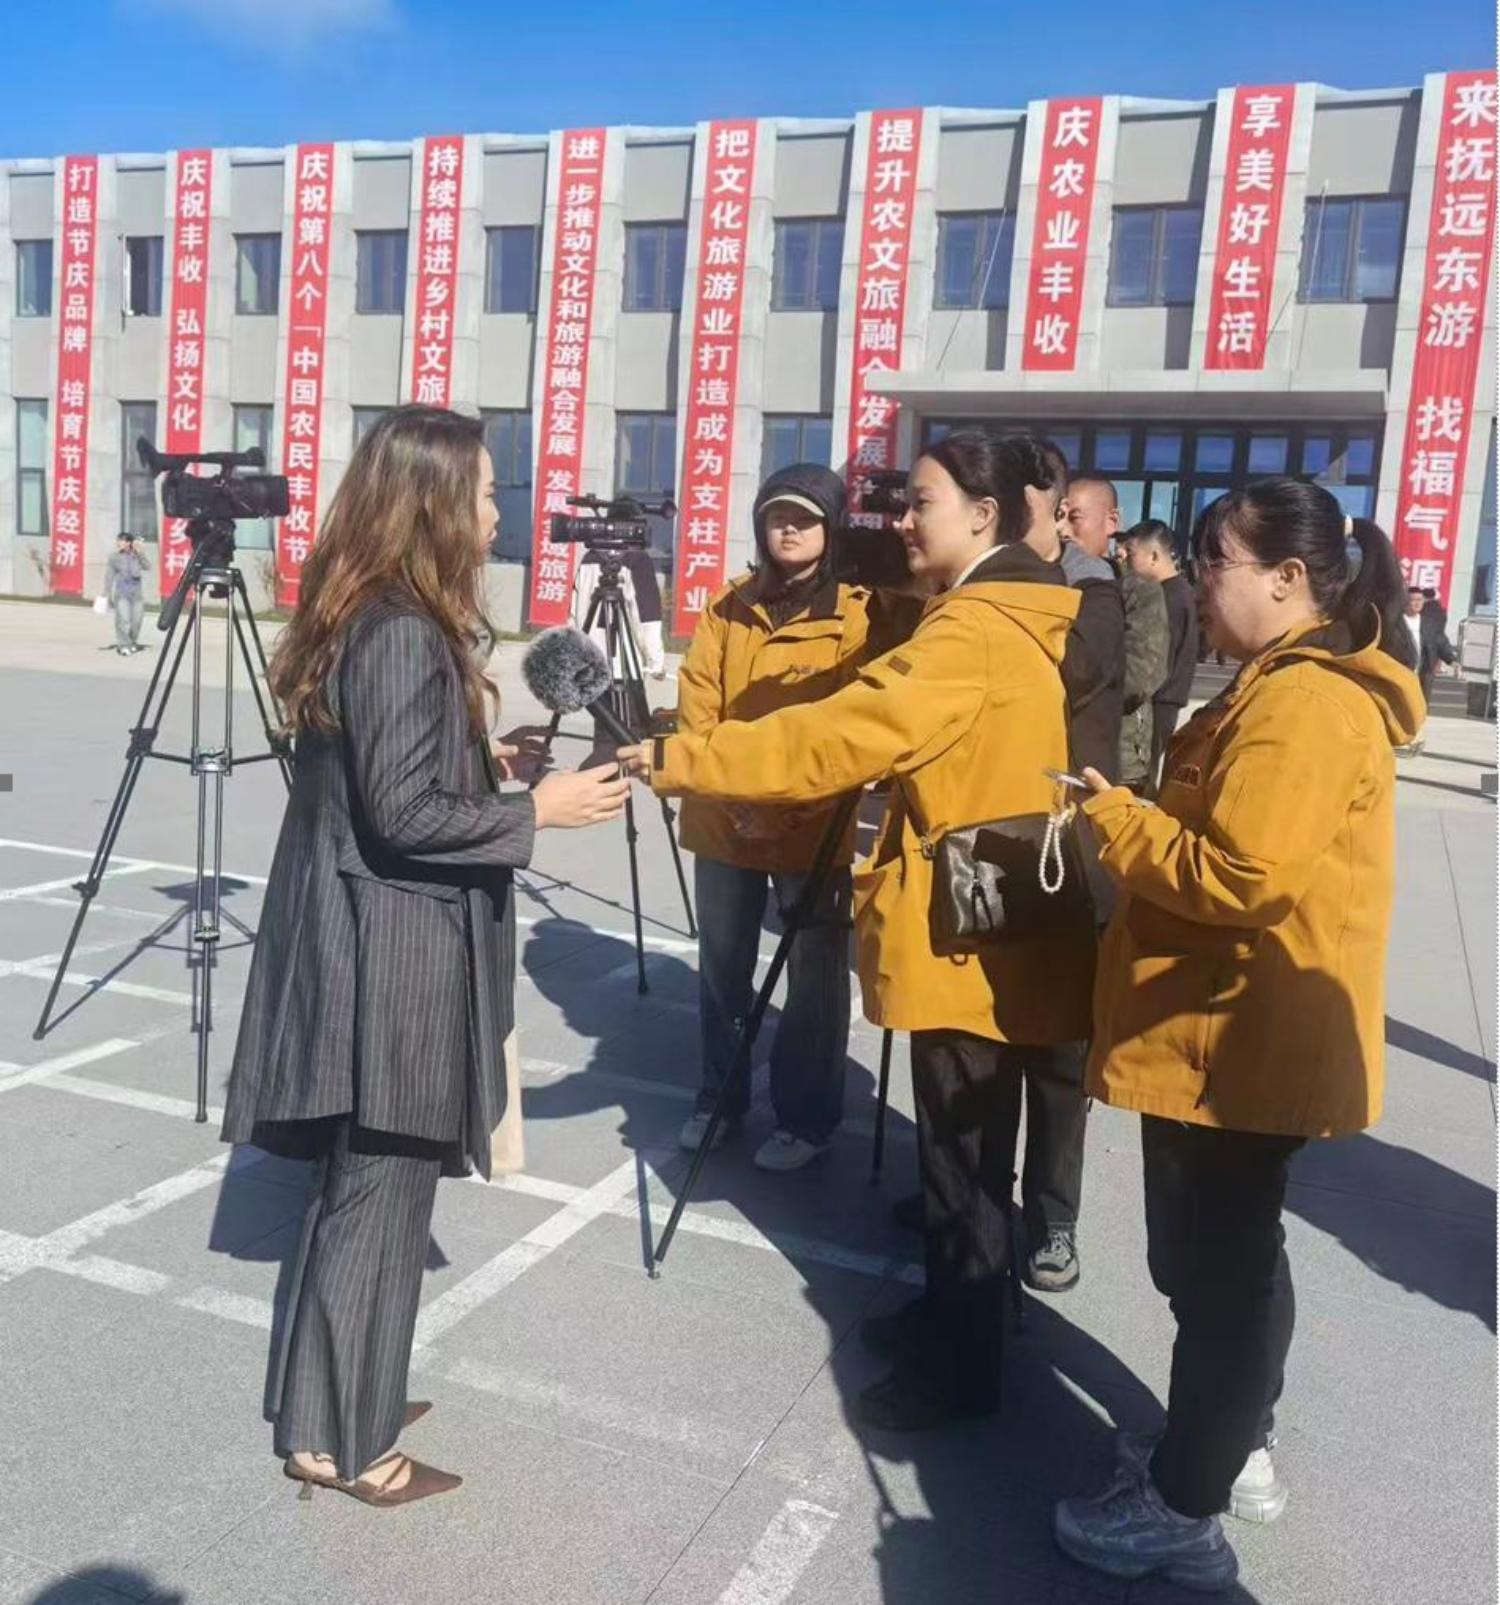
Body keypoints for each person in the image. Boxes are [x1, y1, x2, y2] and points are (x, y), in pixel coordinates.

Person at [623, 432, 1094, 1429]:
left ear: (985, 516)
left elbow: (840, 733)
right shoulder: (998, 609)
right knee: (965, 1151)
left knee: (963, 1158)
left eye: (922, 503)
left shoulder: (971, 631)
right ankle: (953, 1318)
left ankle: (959, 1374)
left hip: (972, 914)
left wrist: (682, 758)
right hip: (994, 895)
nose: (903, 522)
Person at [221, 406, 630, 1507]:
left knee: (358, 1194)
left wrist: (485, 762)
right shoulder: (401, 629)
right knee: (380, 1199)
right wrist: (537, 810)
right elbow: (403, 815)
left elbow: (389, 781)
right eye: (488, 494)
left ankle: (334, 1401)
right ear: (435, 503)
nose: (499, 514)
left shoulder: (368, 610)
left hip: (361, 943)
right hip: (388, 960)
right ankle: (347, 1446)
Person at [1053, 479, 1421, 1592]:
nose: (1198, 582)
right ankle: (1230, 1443)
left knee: (1216, 1276)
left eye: (1215, 562)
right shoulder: (1277, 684)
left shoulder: (1303, 703)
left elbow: (1241, 874)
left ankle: (1186, 1504)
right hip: (1230, 1027)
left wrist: (1116, 819)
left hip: (1237, 1038)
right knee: (1232, 1259)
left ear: (1289, 578)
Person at [673, 462, 872, 1171]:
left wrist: (789, 808)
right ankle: (718, 1096)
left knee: (815, 979)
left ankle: (806, 1116)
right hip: (724, 820)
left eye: (805, 518)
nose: (788, 529)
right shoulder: (728, 605)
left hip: (811, 826)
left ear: (832, 527)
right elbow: (698, 708)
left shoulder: (857, 612)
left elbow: (856, 724)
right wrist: (734, 799)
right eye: (776, 515)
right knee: (720, 969)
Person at [1067, 475, 1169, 792]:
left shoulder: (1138, 592)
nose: (1063, 531)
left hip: (1117, 760)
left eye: (1075, 518)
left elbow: (1139, 677)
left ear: (1112, 521)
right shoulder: (1050, 585)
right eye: (1058, 517)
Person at [1121, 519, 1200, 793]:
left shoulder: (1168, 598)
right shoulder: (1181, 593)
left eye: (1131, 553)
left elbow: (1156, 659)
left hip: (1158, 700)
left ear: (1154, 556)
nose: (1125, 560)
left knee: (1141, 775)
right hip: (1166, 699)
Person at [1402, 584, 1457, 752]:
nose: (1417, 603)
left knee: (1421, 705)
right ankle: (1401, 736)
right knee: (1402, 703)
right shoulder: (1397, 622)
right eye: (1413, 600)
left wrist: (1452, 661)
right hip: (1402, 671)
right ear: (1405, 601)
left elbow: (1441, 642)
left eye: (1420, 600)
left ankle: (1415, 737)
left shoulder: (1429, 623)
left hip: (1423, 671)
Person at [104, 532, 148, 656]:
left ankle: (132, 642)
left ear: (129, 543)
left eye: (121, 541)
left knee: (137, 621)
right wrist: (106, 592)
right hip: (122, 593)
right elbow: (109, 575)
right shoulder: (114, 557)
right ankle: (123, 645)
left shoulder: (137, 555)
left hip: (137, 594)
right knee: (123, 620)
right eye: (118, 540)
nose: (118, 543)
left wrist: (140, 554)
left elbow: (147, 566)